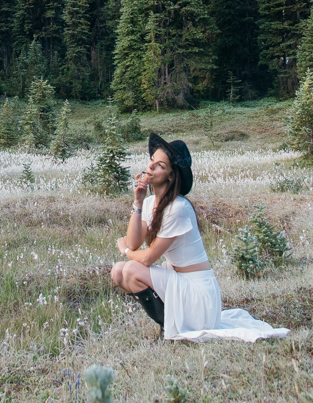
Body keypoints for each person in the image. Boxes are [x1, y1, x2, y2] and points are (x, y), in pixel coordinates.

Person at [110, 133, 290, 342]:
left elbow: (146, 257)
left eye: (159, 165)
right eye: (151, 161)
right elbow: (134, 241)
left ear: (170, 175)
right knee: (118, 271)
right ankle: (168, 326)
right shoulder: (150, 203)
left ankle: (169, 331)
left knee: (129, 268)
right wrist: (138, 202)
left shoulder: (178, 208)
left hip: (198, 294)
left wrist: (126, 252)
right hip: (179, 282)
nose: (150, 167)